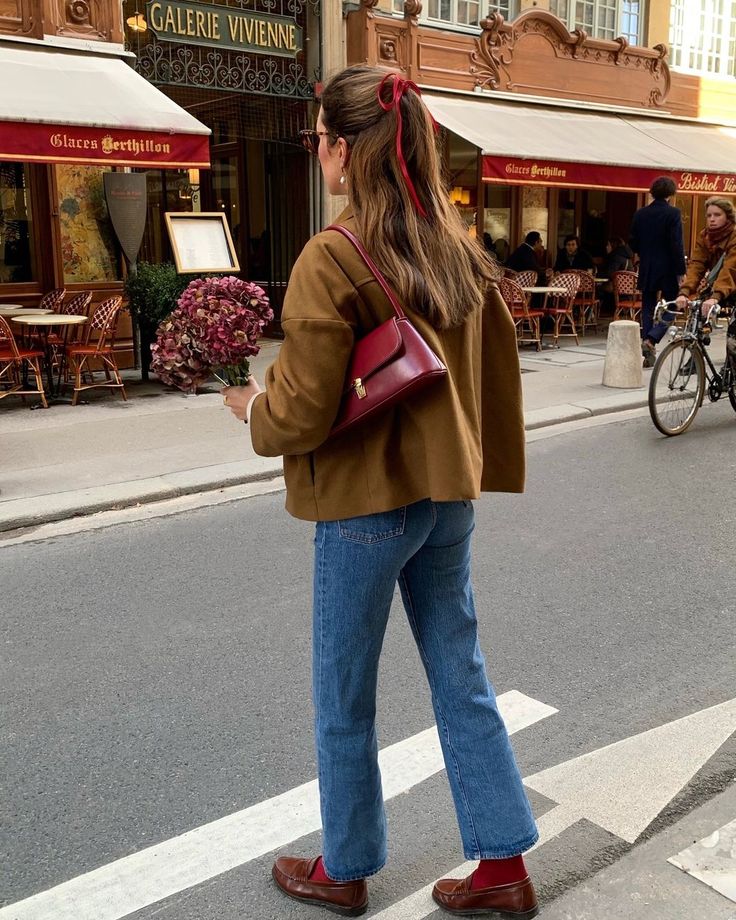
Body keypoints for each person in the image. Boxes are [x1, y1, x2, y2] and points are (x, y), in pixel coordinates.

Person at [222, 65, 539, 918]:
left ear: (345, 149)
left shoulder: (334, 256)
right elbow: (488, 375)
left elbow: (299, 412)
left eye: (321, 138)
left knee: (344, 691)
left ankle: (348, 866)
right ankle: (503, 864)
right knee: (461, 674)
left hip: (365, 507)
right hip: (448, 500)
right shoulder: (454, 246)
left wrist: (251, 403)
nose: (317, 152)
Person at [629, 176, 686, 367]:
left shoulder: (640, 214)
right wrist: (681, 270)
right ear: (671, 194)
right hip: (668, 267)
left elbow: (633, 242)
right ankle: (652, 338)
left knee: (648, 305)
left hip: (647, 266)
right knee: (673, 305)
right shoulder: (673, 213)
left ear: (652, 192)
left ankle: (647, 340)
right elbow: (676, 244)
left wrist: (644, 253)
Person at [676, 196, 736, 362]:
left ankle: (730, 370)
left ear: (728, 216)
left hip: (730, 282)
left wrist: (715, 297)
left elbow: (730, 269)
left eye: (717, 215)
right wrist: (685, 292)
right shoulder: (705, 237)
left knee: (733, 337)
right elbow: (697, 265)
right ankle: (696, 357)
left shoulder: (734, 236)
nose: (712, 219)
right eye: (709, 215)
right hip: (720, 286)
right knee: (696, 315)